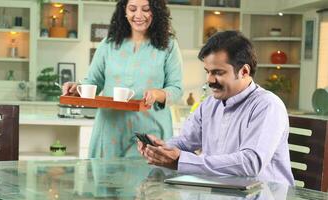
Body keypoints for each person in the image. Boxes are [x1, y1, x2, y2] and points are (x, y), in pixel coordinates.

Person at [138, 31, 295, 186]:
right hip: (221, 193)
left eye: (218, 72)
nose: (209, 80)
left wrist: (180, 160)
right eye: (207, 72)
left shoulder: (268, 105)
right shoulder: (209, 104)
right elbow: (186, 141)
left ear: (244, 71)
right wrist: (161, 149)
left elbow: (250, 163)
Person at [62, 0, 183, 158]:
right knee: (107, 180)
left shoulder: (169, 46)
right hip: (110, 132)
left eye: (146, 9)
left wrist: (157, 94)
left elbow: (176, 89)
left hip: (149, 133)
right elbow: (92, 82)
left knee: (149, 181)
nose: (138, 15)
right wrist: (77, 88)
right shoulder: (109, 44)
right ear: (124, 11)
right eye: (132, 9)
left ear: (157, 11)